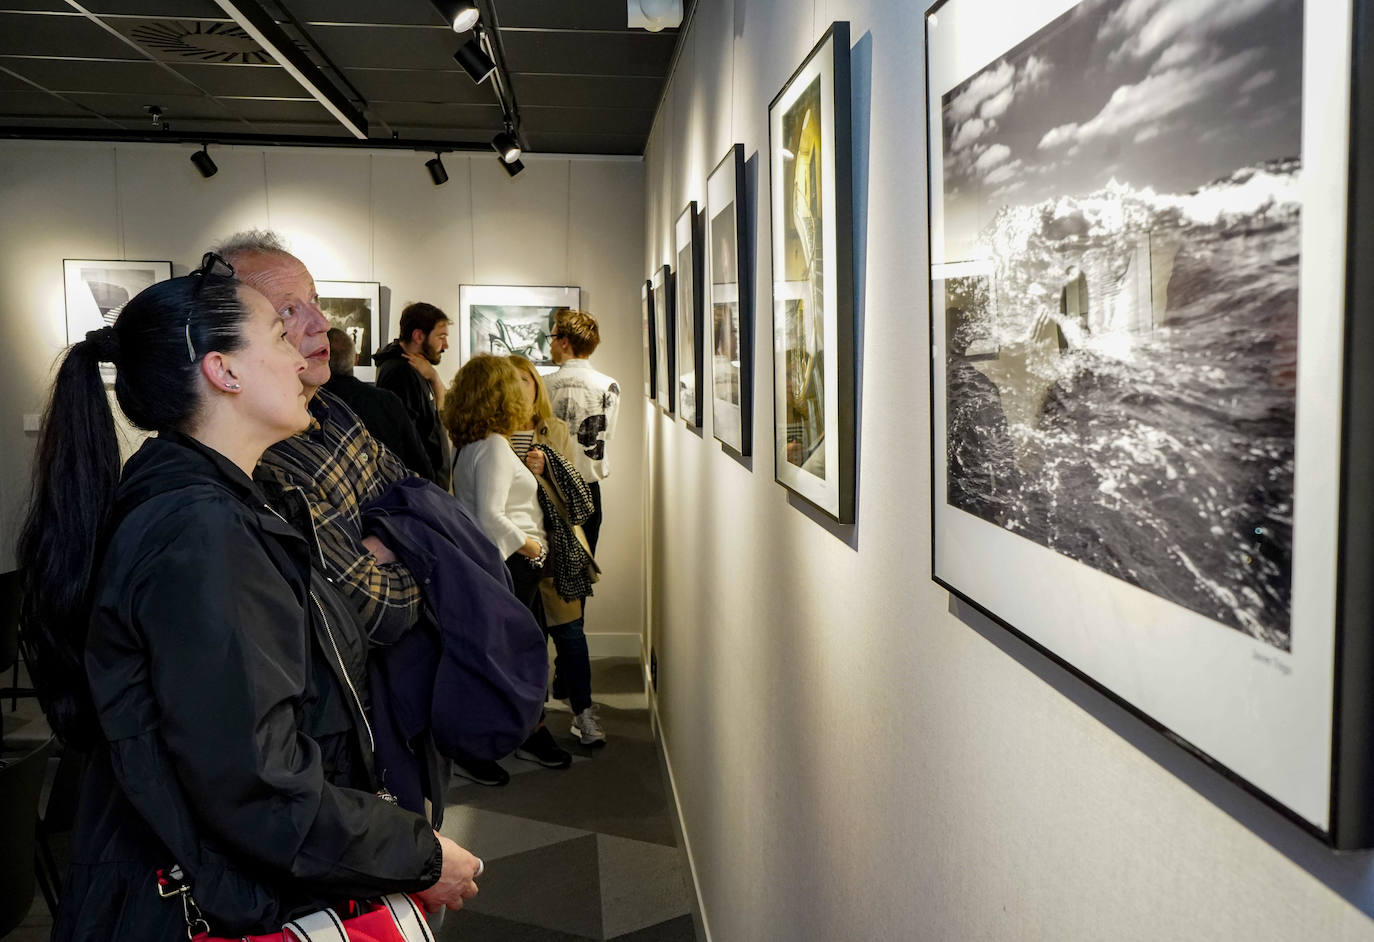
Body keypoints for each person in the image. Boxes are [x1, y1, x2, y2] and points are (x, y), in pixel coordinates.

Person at [15, 255, 481, 940]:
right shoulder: (203, 531)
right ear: (223, 371)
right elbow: (255, 784)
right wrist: (418, 854)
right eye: (279, 335)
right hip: (202, 905)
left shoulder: (221, 503)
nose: (301, 358)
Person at [215, 230, 512, 790]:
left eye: (315, 302)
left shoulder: (334, 412)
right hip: (339, 737)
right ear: (223, 352)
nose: (320, 324)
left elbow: (424, 500)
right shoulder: (263, 462)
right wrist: (413, 539)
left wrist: (390, 538)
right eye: (286, 313)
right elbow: (379, 612)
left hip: (391, 715)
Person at [443, 354, 576, 768]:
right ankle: (521, 734)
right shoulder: (495, 447)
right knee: (521, 656)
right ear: (498, 395)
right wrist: (533, 547)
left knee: (505, 654)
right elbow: (490, 517)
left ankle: (512, 733)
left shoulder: (469, 444)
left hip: (492, 564)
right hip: (512, 565)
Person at [508, 355, 605, 745]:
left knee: (571, 634)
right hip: (515, 551)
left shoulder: (555, 430)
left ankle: (584, 712)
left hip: (556, 548)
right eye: (511, 381)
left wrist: (547, 467)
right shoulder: (492, 434)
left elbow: (572, 494)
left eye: (525, 380)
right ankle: (534, 720)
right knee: (526, 640)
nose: (519, 388)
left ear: (537, 386)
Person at [545, 308, 620, 554]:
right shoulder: (609, 386)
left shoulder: (544, 385)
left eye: (552, 337)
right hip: (589, 489)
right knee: (585, 566)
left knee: (550, 569)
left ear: (564, 342)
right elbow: (607, 434)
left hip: (550, 487)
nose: (550, 344)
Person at [323, 327, 436, 481]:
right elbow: (422, 467)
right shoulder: (387, 402)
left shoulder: (310, 406)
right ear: (355, 359)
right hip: (393, 490)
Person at [376, 302, 451, 489]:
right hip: (420, 489)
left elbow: (438, 416)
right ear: (418, 336)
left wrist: (434, 377)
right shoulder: (400, 373)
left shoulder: (418, 369)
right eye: (441, 337)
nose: (445, 345)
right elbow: (406, 443)